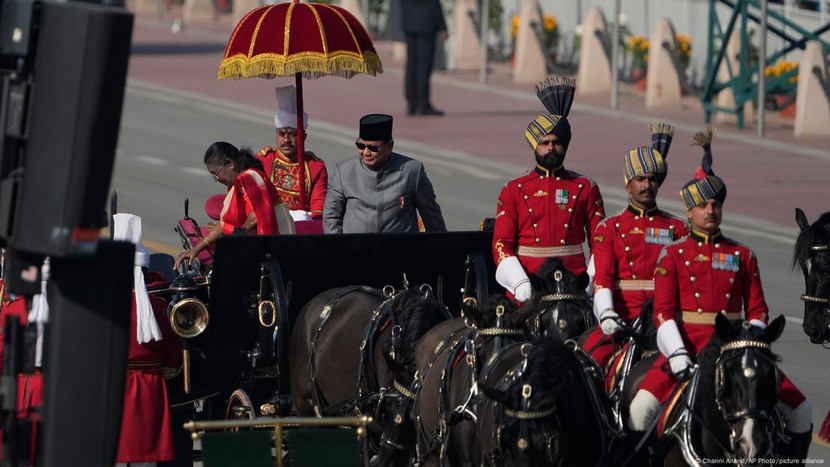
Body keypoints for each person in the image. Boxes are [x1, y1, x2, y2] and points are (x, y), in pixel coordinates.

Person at [627, 129, 812, 462]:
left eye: (715, 204)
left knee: (801, 411)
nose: (710, 210)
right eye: (701, 205)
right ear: (688, 213)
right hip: (687, 348)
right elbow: (664, 313)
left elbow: (758, 309)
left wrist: (750, 344)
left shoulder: (743, 255)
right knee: (640, 409)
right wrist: (678, 353)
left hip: (736, 351)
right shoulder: (672, 255)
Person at [583, 123, 689, 371]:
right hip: (623, 320)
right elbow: (603, 277)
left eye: (652, 179)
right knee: (585, 365)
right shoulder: (610, 227)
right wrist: (607, 312)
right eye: (640, 179)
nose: (646, 185)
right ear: (627, 184)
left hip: (666, 322)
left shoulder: (678, 228)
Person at [493, 77, 605, 302]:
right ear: (535, 146)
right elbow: (501, 244)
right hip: (530, 282)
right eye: (544, 143)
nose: (551, 147)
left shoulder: (585, 187)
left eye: (556, 142)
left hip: (574, 284)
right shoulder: (514, 189)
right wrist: (520, 282)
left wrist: (591, 280)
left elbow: (600, 242)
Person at [113, 213, 182, 466]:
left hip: (115, 390)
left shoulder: (103, 309)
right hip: (151, 390)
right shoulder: (161, 308)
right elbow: (173, 360)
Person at [323, 114, 446, 233]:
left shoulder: (412, 171)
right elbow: (331, 217)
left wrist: (442, 247)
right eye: (361, 146)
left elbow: (432, 217)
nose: (366, 152)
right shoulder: (343, 172)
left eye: (373, 148)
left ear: (390, 146)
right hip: (357, 251)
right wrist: (339, 250)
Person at [175, 141, 291, 269]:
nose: (216, 179)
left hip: (277, 246)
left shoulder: (250, 177)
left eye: (216, 173)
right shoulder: (236, 183)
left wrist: (236, 239)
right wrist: (196, 249)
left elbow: (255, 218)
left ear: (230, 164)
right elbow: (223, 223)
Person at [256, 86, 328, 221]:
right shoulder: (262, 160)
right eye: (281, 134)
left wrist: (307, 220)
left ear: (303, 137)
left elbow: (319, 206)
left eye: (293, 135)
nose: (286, 140)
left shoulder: (316, 167)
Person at [400, 0, 447, 116]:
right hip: (426, 22)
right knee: (423, 64)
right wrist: (442, 25)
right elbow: (433, 3)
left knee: (411, 63)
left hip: (409, 22)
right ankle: (422, 102)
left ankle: (411, 102)